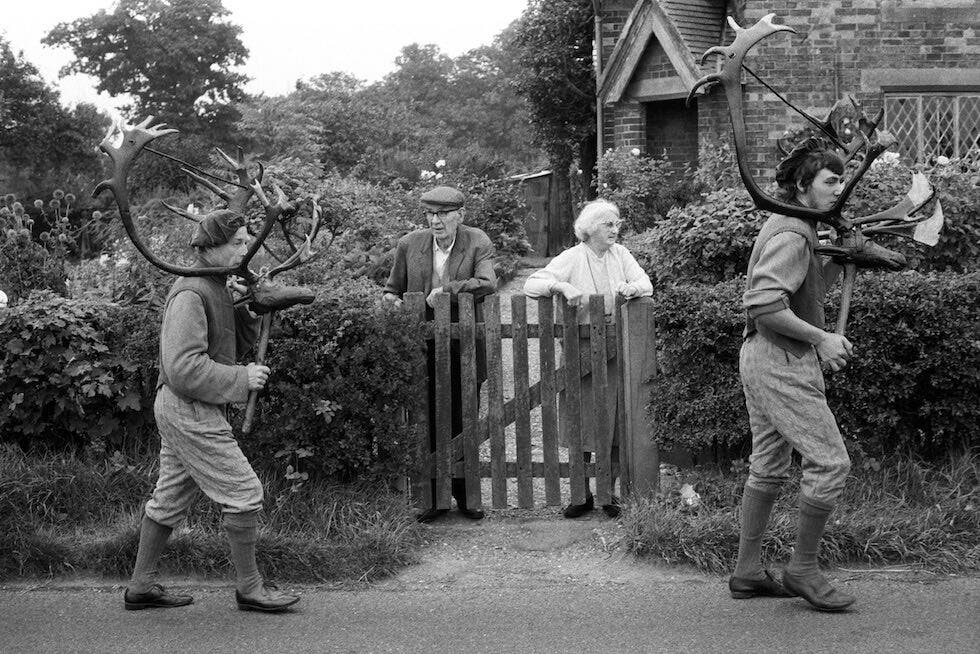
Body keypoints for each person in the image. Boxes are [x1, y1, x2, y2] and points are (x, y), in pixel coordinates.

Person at [124, 210, 299, 613]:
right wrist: (242, 378)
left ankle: (140, 587)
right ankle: (250, 589)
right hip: (188, 408)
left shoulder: (216, 285)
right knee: (244, 493)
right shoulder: (191, 293)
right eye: (237, 243)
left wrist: (247, 308)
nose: (245, 250)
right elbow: (183, 368)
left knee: (169, 499)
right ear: (209, 247)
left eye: (246, 242)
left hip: (191, 407)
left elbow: (227, 342)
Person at [730, 138, 857, 612]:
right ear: (803, 186)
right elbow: (764, 304)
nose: (839, 189)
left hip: (762, 355)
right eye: (830, 181)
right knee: (830, 462)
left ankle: (747, 572)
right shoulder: (793, 234)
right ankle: (803, 569)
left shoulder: (795, 227)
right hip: (781, 359)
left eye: (841, 180)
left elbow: (803, 285)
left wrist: (839, 257)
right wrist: (821, 339)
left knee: (768, 464)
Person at [523, 199, 652, 519]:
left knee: (614, 424)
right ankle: (580, 495)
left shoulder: (621, 254)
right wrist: (561, 286)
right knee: (579, 424)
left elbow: (646, 284)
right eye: (609, 224)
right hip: (578, 350)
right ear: (590, 228)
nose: (615, 229)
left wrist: (631, 289)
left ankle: (608, 494)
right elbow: (531, 284)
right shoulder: (572, 257)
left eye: (617, 223)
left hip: (614, 351)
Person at [383, 186, 497, 522]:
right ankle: (432, 498)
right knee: (427, 419)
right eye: (430, 214)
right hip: (422, 346)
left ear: (460, 215)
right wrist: (394, 304)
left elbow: (487, 282)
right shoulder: (409, 244)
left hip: (463, 347)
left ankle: (466, 494)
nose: (436, 221)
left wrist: (446, 290)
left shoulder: (477, 241)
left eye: (443, 214)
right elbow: (391, 290)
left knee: (463, 418)